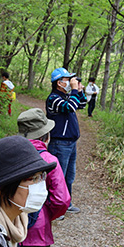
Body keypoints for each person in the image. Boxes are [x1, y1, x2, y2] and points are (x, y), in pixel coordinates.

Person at [17, 108, 71, 247]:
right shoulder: (49, 160)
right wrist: (46, 214)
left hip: (8, 226)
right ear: (46, 136)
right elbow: (62, 200)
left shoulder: (12, 155)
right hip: (36, 232)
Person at [46, 67, 87, 214]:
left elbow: (81, 104)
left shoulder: (65, 96)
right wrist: (74, 90)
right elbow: (70, 107)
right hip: (60, 144)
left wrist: (79, 91)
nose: (70, 82)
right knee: (58, 177)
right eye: (67, 80)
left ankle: (66, 203)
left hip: (71, 143)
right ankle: (54, 208)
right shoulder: (53, 99)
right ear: (59, 83)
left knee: (69, 176)